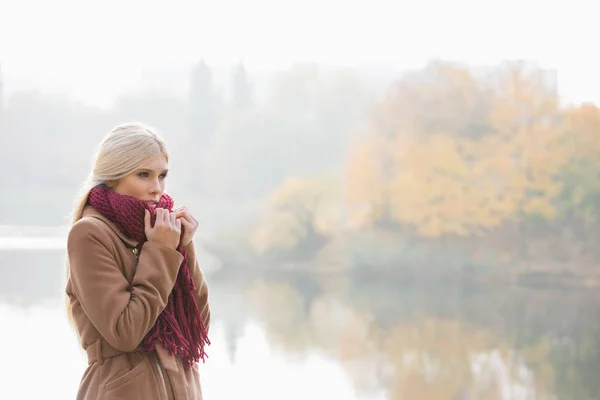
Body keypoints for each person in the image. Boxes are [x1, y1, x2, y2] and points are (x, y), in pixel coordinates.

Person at [65, 122, 211, 400]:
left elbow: (199, 326)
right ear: (112, 177)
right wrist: (161, 251)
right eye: (144, 174)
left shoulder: (160, 232)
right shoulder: (89, 233)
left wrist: (184, 247)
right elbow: (125, 332)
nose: (157, 188)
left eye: (162, 175)